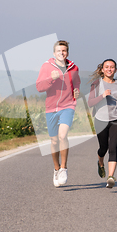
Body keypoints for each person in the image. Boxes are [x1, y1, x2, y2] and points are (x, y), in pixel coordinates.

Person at [36, 40, 80, 187]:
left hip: (68, 105)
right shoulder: (46, 67)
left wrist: (77, 91)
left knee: (63, 136)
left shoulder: (74, 68)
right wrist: (51, 79)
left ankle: (64, 168)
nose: (62, 53)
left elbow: (77, 82)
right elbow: (39, 87)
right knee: (54, 141)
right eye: (59, 51)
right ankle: (56, 169)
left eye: (64, 51)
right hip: (50, 108)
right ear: (54, 53)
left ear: (67, 52)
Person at [88, 59, 117, 188]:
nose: (109, 69)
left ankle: (111, 177)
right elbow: (90, 103)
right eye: (107, 67)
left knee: (113, 148)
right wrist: (102, 96)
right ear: (102, 70)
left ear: (115, 70)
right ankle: (100, 162)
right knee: (103, 148)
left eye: (112, 67)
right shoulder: (96, 84)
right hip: (101, 120)